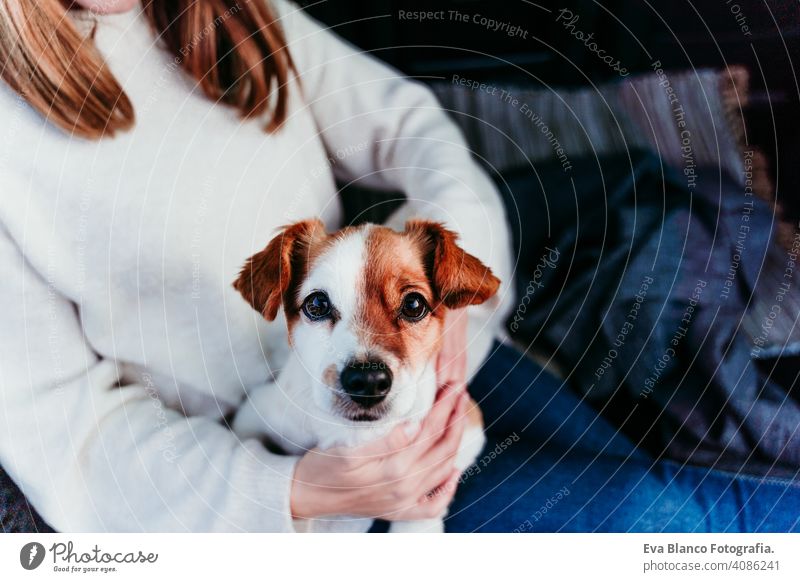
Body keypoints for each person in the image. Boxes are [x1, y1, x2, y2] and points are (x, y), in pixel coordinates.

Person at [1, 0, 797, 534]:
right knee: (652, 519)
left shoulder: (238, 13)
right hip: (261, 481)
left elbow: (411, 126)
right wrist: (302, 492)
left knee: (689, 487)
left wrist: (445, 311)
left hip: (423, 373)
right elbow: (72, 442)